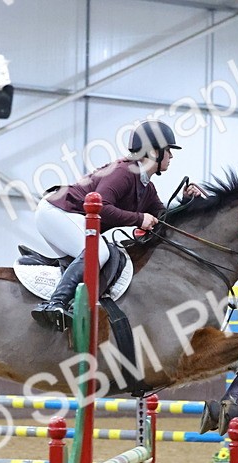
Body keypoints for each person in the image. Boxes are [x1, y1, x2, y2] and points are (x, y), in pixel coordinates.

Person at [31, 120, 202, 331]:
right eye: (168, 150)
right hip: (57, 211)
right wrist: (139, 219)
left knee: (97, 257)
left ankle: (74, 306)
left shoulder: (146, 187)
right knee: (100, 252)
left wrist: (185, 202)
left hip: (72, 216)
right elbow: (100, 206)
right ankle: (54, 304)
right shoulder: (124, 172)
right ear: (154, 151)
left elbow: (162, 219)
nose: (172, 156)